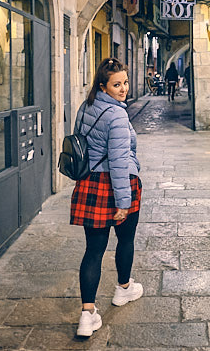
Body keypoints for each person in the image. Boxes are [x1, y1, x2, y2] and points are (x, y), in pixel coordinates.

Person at [71, 58, 143, 338]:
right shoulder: (117, 116)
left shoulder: (86, 106)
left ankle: (87, 315)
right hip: (116, 185)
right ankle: (123, 289)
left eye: (125, 82)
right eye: (117, 84)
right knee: (125, 240)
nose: (123, 89)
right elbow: (118, 160)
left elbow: (79, 143)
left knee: (93, 250)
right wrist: (123, 202)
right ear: (103, 85)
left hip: (90, 184)